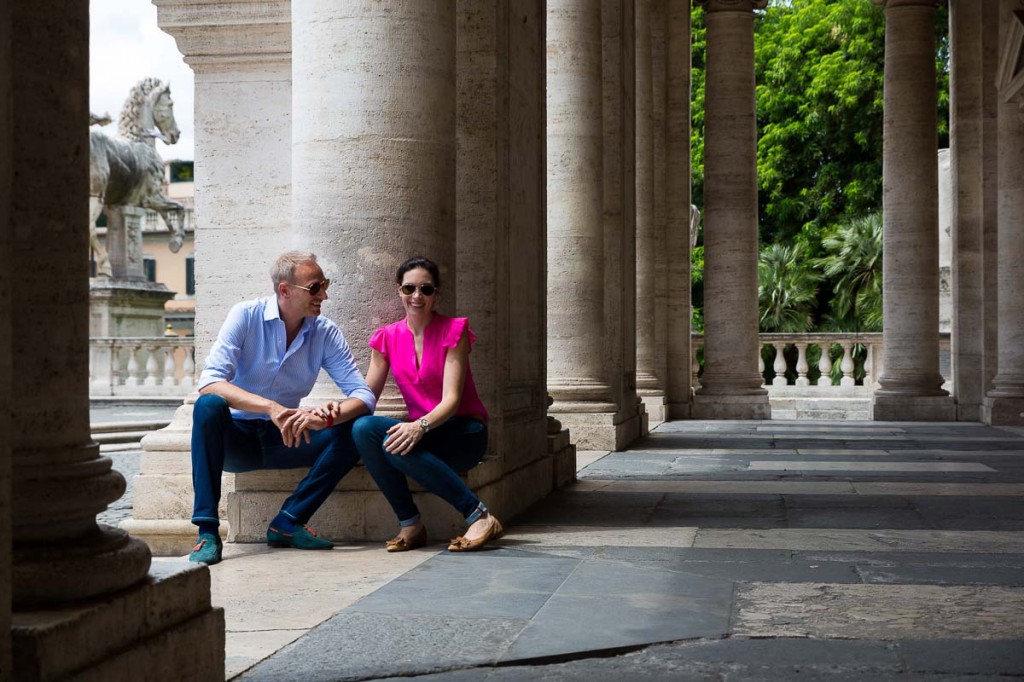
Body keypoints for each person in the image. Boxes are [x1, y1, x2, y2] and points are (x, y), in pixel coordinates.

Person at [188, 251, 376, 565]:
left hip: (287, 437)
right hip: (238, 439)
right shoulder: (246, 316)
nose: (324, 295)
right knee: (208, 407)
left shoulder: (324, 332)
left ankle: (288, 521)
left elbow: (364, 395)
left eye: (324, 285)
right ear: (285, 290)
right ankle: (206, 532)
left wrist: (327, 416)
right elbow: (210, 382)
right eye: (315, 288)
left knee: (356, 429)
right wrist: (270, 407)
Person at [345, 256, 500, 552]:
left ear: (436, 295)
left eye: (426, 290)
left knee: (397, 443)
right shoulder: (387, 338)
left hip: (463, 432)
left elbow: (452, 400)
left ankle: (479, 515)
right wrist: (326, 415)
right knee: (365, 429)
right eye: (409, 288)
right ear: (399, 291)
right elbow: (366, 396)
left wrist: (420, 426)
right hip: (424, 435)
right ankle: (411, 524)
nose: (417, 296)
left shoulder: (455, 331)